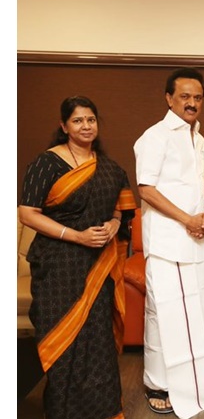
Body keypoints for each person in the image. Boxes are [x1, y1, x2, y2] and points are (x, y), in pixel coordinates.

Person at [19, 95, 136, 419]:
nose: (86, 126)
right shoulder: (47, 163)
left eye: (91, 120)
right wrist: (76, 236)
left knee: (97, 341)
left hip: (98, 265)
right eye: (78, 120)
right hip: (57, 266)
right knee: (64, 342)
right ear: (64, 126)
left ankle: (104, 411)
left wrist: (114, 224)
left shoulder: (110, 168)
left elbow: (122, 210)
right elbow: (27, 213)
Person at [133, 68, 204, 417]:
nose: (191, 103)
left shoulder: (199, 138)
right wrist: (186, 219)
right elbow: (146, 189)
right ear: (169, 99)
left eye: (197, 97)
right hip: (168, 243)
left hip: (196, 242)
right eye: (184, 96)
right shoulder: (155, 136)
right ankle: (157, 383)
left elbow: (198, 188)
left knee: (197, 315)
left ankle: (193, 383)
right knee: (163, 314)